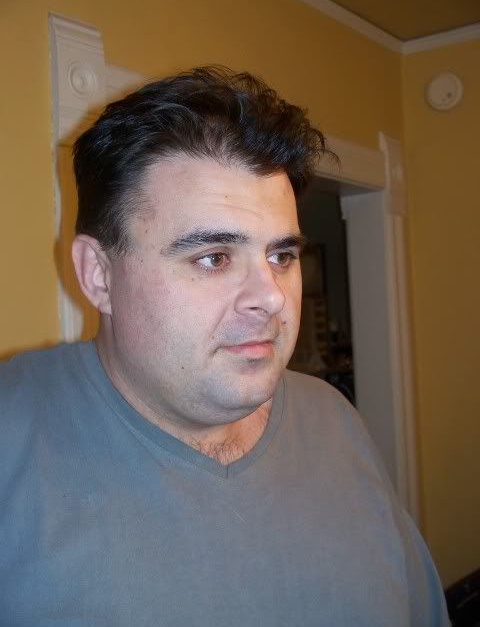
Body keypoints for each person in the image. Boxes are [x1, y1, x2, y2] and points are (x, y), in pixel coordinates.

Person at [0, 66, 450, 626]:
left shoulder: (334, 418)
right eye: (213, 258)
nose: (273, 297)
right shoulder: (12, 441)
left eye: (281, 256)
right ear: (98, 274)